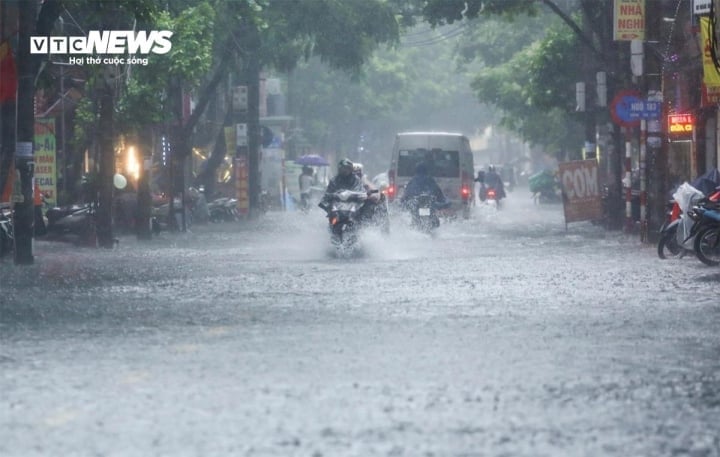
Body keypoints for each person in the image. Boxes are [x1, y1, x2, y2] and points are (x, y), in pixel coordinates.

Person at [353, 162, 390, 233]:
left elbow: (373, 190)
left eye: (357, 173)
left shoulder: (364, 180)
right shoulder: (343, 181)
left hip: (363, 205)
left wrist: (370, 194)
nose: (355, 175)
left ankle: (367, 228)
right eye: (353, 173)